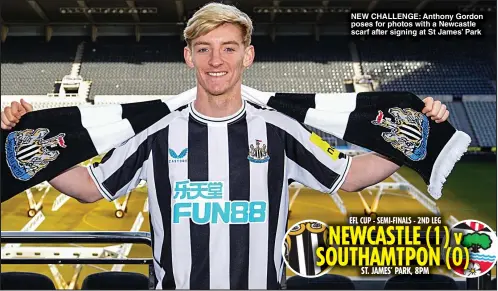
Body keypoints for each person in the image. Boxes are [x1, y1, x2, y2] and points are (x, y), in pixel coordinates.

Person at [1, 2, 450, 289]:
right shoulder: (154, 130)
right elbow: (88, 187)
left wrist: (417, 139)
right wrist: (30, 148)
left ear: (247, 55)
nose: (217, 61)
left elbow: (351, 177)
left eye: (229, 48)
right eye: (204, 48)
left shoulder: (280, 128)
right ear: (189, 56)